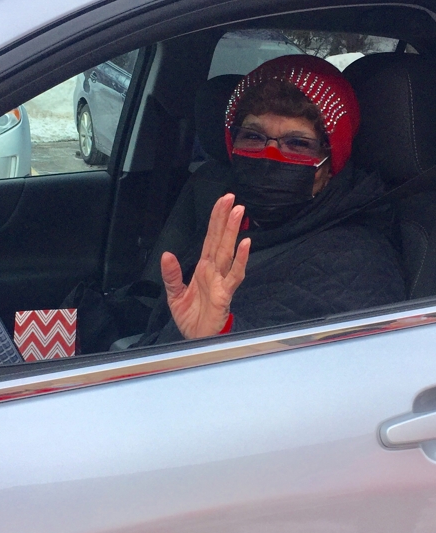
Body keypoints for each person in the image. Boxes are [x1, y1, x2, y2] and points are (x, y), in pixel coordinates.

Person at [141, 54, 405, 344]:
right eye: (253, 137)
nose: (270, 155)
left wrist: (221, 335)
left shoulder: (357, 262)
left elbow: (317, 373)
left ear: (330, 164)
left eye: (298, 143)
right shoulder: (228, 213)